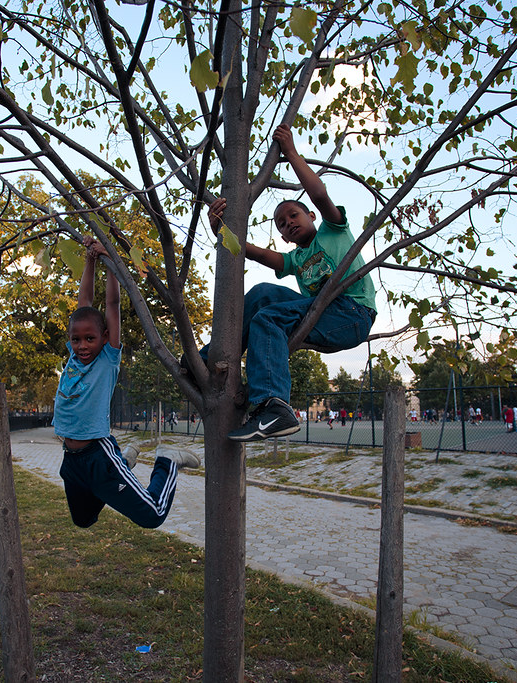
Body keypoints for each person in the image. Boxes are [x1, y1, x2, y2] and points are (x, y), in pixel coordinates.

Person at [199, 125, 378, 441]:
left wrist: (291, 153)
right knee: (262, 294)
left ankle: (273, 406)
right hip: (323, 315)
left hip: (353, 315)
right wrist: (222, 232)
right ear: (282, 236)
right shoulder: (295, 260)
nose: (289, 223)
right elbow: (254, 254)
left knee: (269, 319)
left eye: (294, 215)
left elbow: (320, 194)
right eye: (282, 223)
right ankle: (208, 359)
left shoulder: (333, 231)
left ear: (311, 215)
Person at [53, 237, 199, 530]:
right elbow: (84, 303)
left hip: (98, 455)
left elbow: (111, 304)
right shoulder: (73, 356)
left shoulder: (107, 359)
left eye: (90, 338)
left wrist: (111, 264)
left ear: (106, 337)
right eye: (76, 339)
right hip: (72, 459)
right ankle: (126, 464)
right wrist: (90, 260)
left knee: (152, 514)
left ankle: (167, 461)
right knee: (83, 520)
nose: (82, 345)